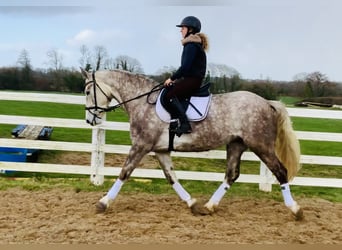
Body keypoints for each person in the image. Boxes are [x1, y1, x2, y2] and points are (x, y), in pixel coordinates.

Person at [163, 16, 209, 136]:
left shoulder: (191, 45)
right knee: (170, 90)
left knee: (169, 95)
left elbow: (185, 68)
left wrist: (171, 78)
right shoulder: (192, 44)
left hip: (192, 80)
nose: (181, 30)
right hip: (191, 79)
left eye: (183, 28)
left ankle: (185, 124)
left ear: (190, 29)